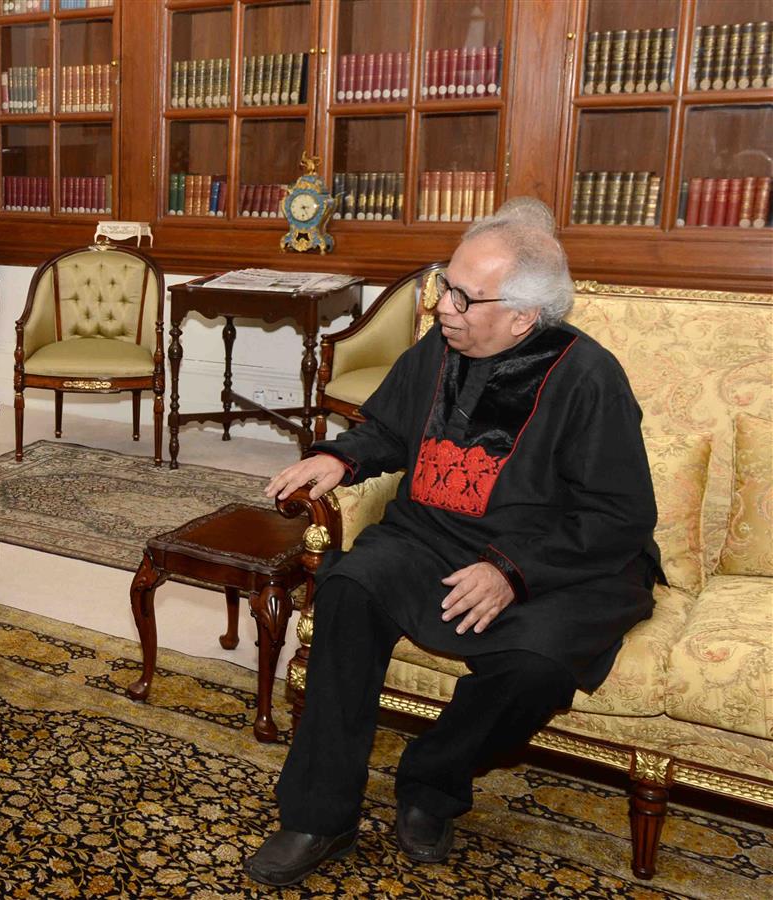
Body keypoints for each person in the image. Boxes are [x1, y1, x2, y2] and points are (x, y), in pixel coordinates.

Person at [245, 201, 662, 886]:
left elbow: (619, 517)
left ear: (523, 317)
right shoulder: (439, 348)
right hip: (432, 538)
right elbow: (388, 427)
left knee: (537, 668)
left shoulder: (590, 377)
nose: (443, 305)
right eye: (445, 283)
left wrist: (509, 572)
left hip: (550, 562)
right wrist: (343, 459)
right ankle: (319, 815)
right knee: (348, 589)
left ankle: (431, 783)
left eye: (465, 296)